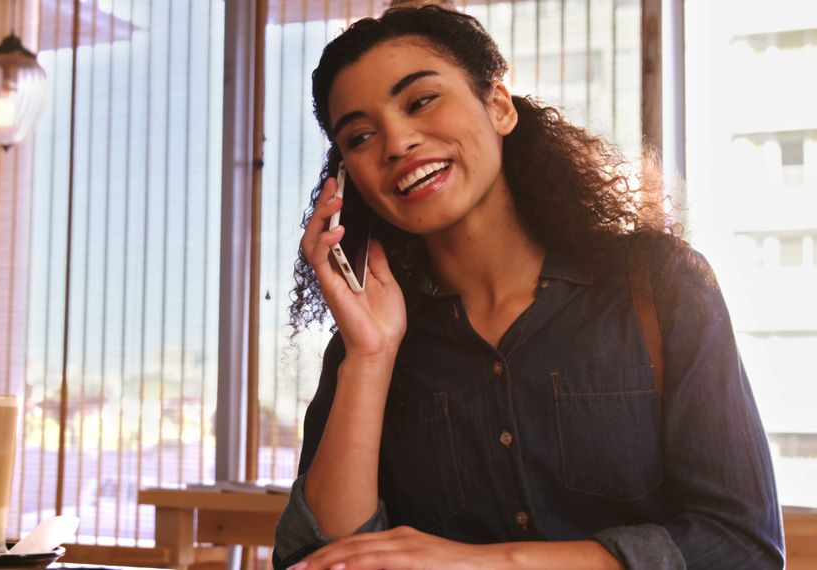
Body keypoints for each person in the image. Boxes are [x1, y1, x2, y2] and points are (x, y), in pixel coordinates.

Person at [274, 6, 784, 570]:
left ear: (497, 106)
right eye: (361, 135)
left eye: (420, 101)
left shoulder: (660, 285)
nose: (396, 142)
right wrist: (370, 356)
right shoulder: (366, 343)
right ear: (348, 176)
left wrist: (491, 563)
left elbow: (743, 547)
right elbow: (320, 561)